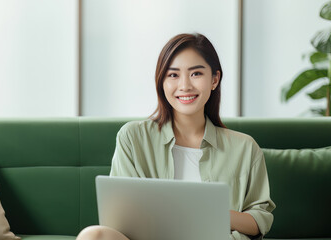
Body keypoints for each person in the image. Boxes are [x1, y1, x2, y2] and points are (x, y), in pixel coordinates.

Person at [77, 33, 275, 240]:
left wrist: (209, 213)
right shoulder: (133, 137)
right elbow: (119, 220)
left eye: (196, 73)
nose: (185, 86)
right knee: (94, 235)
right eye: (173, 75)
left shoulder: (244, 147)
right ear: (161, 82)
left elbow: (259, 219)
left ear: (214, 79)